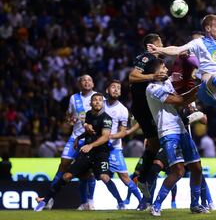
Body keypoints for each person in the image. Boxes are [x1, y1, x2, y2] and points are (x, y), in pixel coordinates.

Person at [147, 0, 216, 197]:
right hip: (208, 88)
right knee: (210, 75)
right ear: (208, 28)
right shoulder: (199, 43)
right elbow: (178, 49)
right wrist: (161, 49)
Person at [34, 93, 125, 211]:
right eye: (95, 100)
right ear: (91, 103)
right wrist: (79, 137)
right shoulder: (88, 115)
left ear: (103, 103)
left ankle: (121, 202)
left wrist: (90, 145)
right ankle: (45, 201)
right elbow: (90, 132)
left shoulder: (106, 118)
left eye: (100, 100)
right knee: (67, 176)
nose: (98, 102)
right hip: (87, 153)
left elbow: (105, 137)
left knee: (104, 177)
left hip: (100, 154)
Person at [145, 61, 207, 216]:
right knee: (178, 171)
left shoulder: (167, 82)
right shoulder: (152, 88)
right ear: (155, 71)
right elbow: (178, 100)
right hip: (168, 132)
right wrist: (199, 89)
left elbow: (181, 94)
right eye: (163, 67)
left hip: (181, 130)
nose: (166, 69)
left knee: (197, 168)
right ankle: (156, 205)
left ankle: (195, 205)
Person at [49, 74, 97, 210]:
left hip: (90, 139)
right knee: (63, 164)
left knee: (88, 172)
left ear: (93, 84)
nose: (86, 82)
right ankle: (50, 198)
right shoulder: (73, 98)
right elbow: (69, 115)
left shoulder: (99, 98)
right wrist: (70, 120)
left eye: (89, 80)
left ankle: (89, 202)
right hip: (75, 137)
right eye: (84, 80)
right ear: (79, 84)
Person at [128, 33, 167, 195]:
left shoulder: (157, 62)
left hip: (148, 105)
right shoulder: (146, 57)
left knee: (154, 143)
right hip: (143, 106)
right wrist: (153, 76)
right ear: (153, 45)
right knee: (156, 142)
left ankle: (141, 177)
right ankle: (142, 176)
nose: (163, 45)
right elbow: (132, 76)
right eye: (161, 42)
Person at [103, 79, 142, 206]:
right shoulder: (99, 104)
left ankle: (142, 202)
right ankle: (120, 202)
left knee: (124, 177)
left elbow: (122, 132)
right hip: (98, 149)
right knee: (104, 177)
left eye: (118, 88)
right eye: (113, 87)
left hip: (114, 148)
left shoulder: (122, 110)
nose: (116, 90)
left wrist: (107, 137)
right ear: (107, 90)